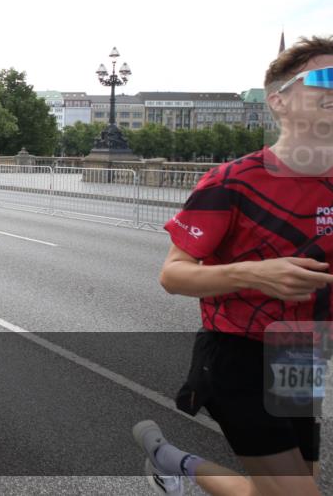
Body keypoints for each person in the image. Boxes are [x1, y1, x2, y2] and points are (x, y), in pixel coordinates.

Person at [133, 36, 333, 496]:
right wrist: (253, 274)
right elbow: (172, 275)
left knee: (291, 489)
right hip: (239, 354)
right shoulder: (232, 181)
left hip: (301, 353)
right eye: (325, 78)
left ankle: (174, 463)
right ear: (279, 101)